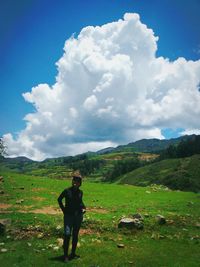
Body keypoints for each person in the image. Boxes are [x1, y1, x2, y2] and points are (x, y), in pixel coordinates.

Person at [58, 173, 86, 263]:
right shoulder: (67, 191)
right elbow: (59, 199)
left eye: (77, 181)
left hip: (78, 217)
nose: (75, 182)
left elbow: (80, 203)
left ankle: (73, 254)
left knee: (75, 235)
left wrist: (84, 208)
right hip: (68, 217)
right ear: (72, 181)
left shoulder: (80, 193)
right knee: (67, 235)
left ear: (80, 183)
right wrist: (64, 210)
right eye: (74, 180)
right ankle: (66, 256)